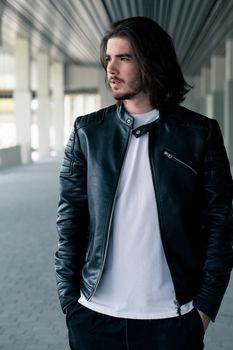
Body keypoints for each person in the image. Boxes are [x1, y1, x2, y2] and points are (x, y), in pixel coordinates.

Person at [55, 17, 233, 350]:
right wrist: (69, 300)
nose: (111, 68)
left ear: (151, 61)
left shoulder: (199, 135)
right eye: (108, 58)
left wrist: (205, 308)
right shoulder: (87, 133)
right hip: (94, 316)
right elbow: (70, 220)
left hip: (172, 319)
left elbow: (221, 226)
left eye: (123, 57)